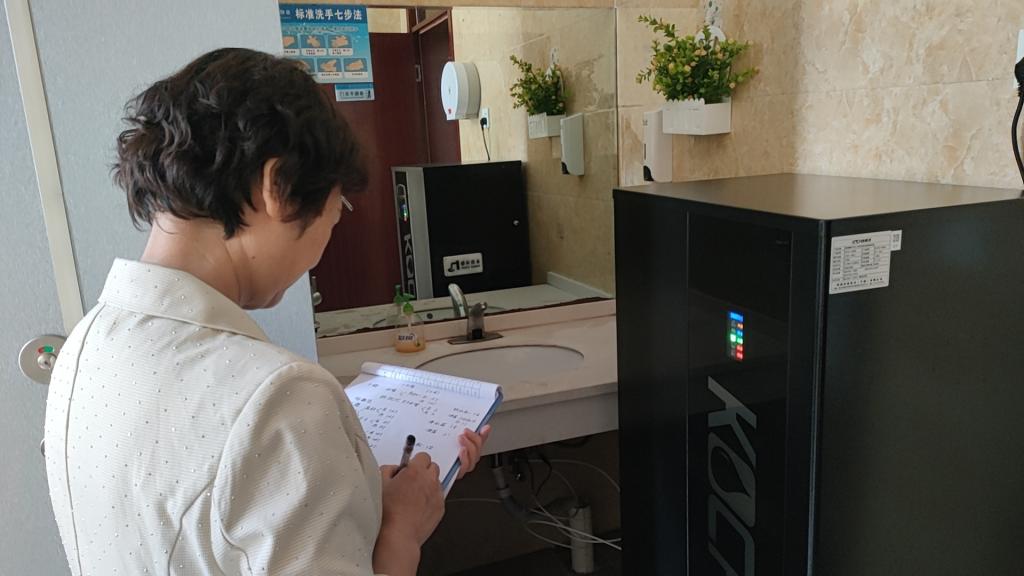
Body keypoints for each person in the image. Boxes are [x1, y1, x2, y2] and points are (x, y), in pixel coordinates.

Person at [43, 47, 490, 576]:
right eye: (335, 212)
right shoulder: (279, 399)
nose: (323, 244)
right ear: (278, 188)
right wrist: (400, 532)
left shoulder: (84, 348)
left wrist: (358, 496)